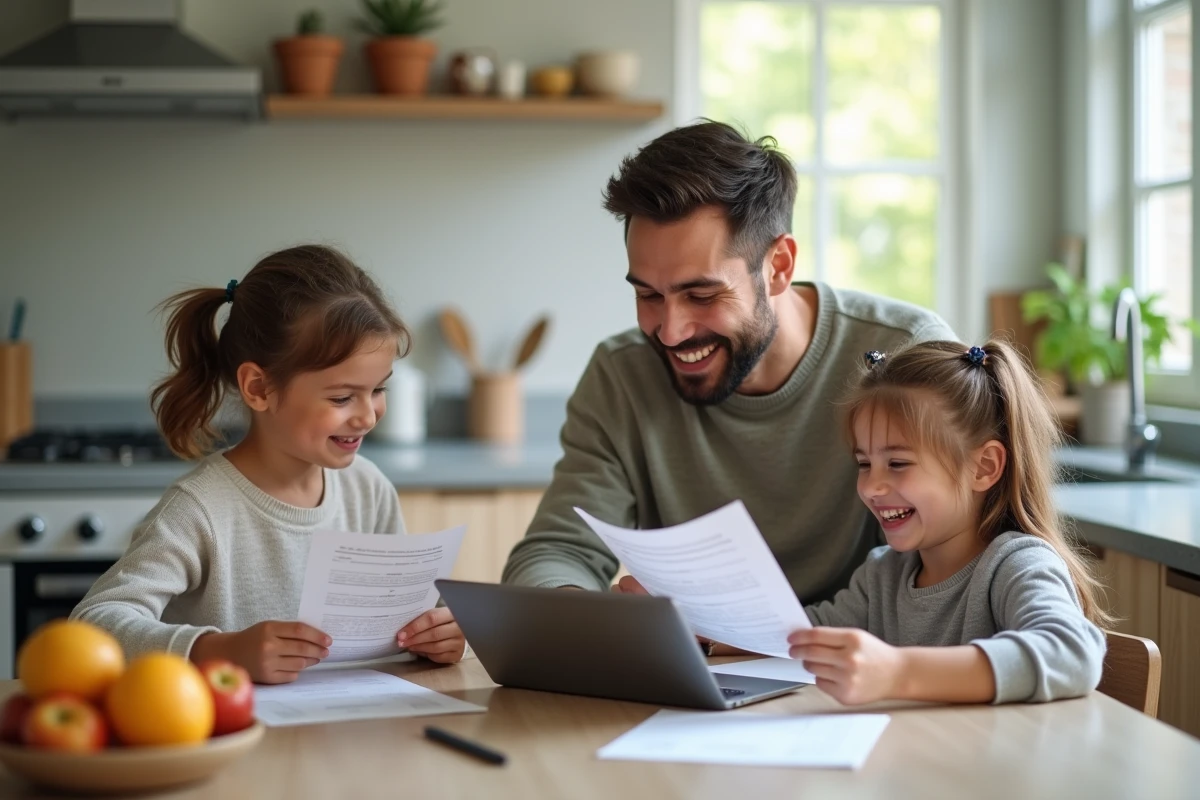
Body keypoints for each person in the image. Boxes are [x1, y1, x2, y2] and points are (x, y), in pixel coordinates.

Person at [501, 121, 957, 633]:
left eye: (701, 295)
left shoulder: (903, 356)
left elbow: (958, 567)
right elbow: (556, 550)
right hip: (697, 677)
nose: (671, 332)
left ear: (778, 266)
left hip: (866, 674)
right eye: (648, 295)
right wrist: (582, 610)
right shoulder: (621, 376)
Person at [72, 245, 466, 683]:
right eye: (341, 397)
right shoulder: (199, 509)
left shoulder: (369, 491)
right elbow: (93, 624)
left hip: (351, 737)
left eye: (378, 390)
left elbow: (405, 618)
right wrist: (216, 650)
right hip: (234, 740)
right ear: (259, 388)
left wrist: (440, 633)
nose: (368, 415)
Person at [789, 339, 1108, 705]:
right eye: (864, 464)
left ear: (984, 467)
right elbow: (801, 636)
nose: (872, 487)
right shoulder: (882, 576)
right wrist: (718, 635)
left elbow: (1071, 654)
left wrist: (897, 671)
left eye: (897, 464)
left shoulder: (1016, 565)